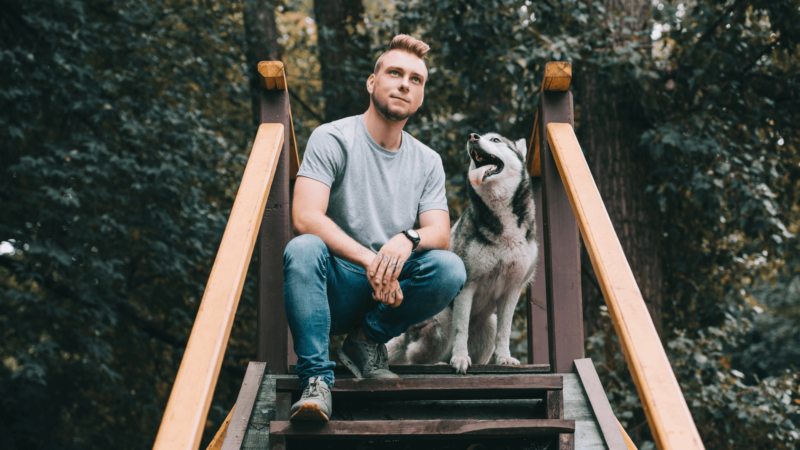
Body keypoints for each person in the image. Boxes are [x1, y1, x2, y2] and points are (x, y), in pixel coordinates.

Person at [283, 34, 466, 421]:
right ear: (372, 82)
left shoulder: (427, 160)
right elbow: (305, 216)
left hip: (390, 294)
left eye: (416, 79)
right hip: (337, 286)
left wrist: (407, 238)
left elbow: (439, 233)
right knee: (303, 248)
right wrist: (372, 260)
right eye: (395, 73)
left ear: (420, 96)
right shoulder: (332, 137)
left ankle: (365, 343)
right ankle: (316, 381)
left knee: (449, 267)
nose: (405, 83)